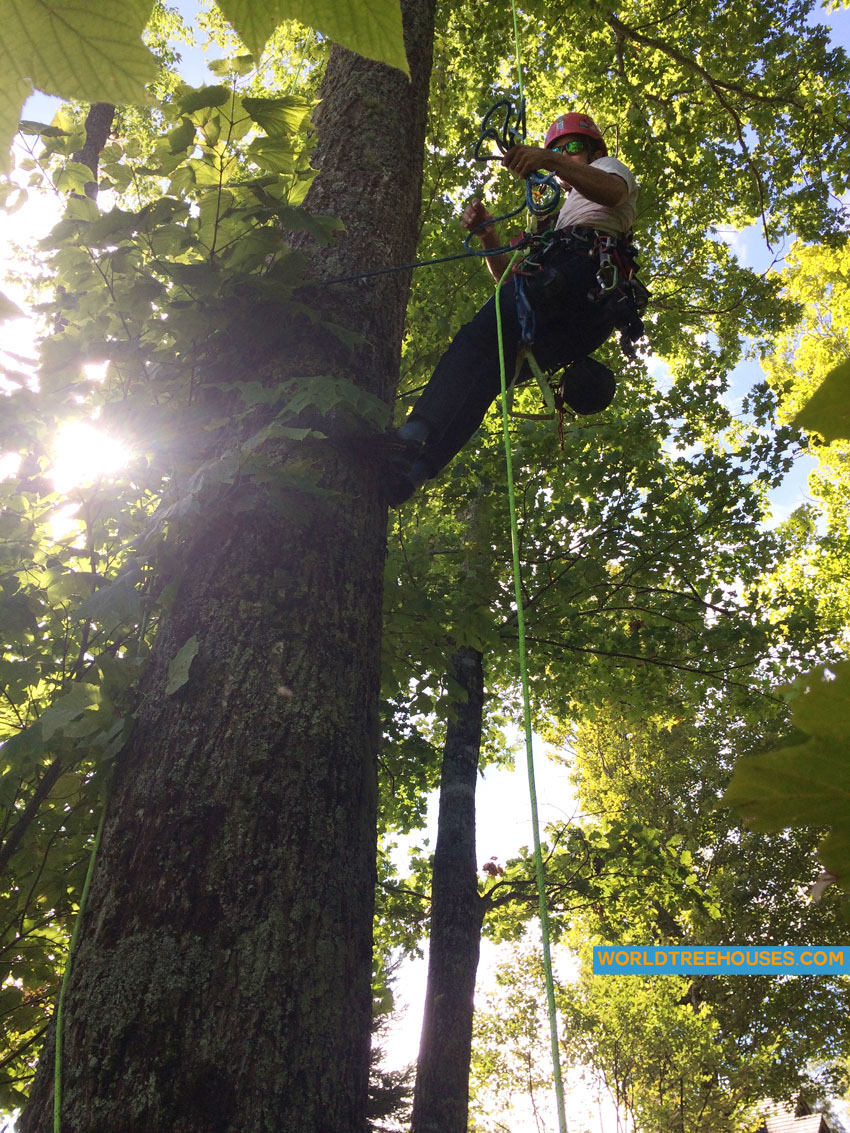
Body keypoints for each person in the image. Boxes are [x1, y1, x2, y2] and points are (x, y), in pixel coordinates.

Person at [386, 111, 639, 506]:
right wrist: (489, 238)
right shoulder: (559, 219)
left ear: (593, 151)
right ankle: (415, 473)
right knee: (485, 379)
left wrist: (548, 159)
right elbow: (511, 286)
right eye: (557, 150)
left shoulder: (607, 171)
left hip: (582, 277)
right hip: (576, 309)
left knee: (474, 341)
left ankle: (409, 437)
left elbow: (613, 193)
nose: (565, 156)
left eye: (573, 148)